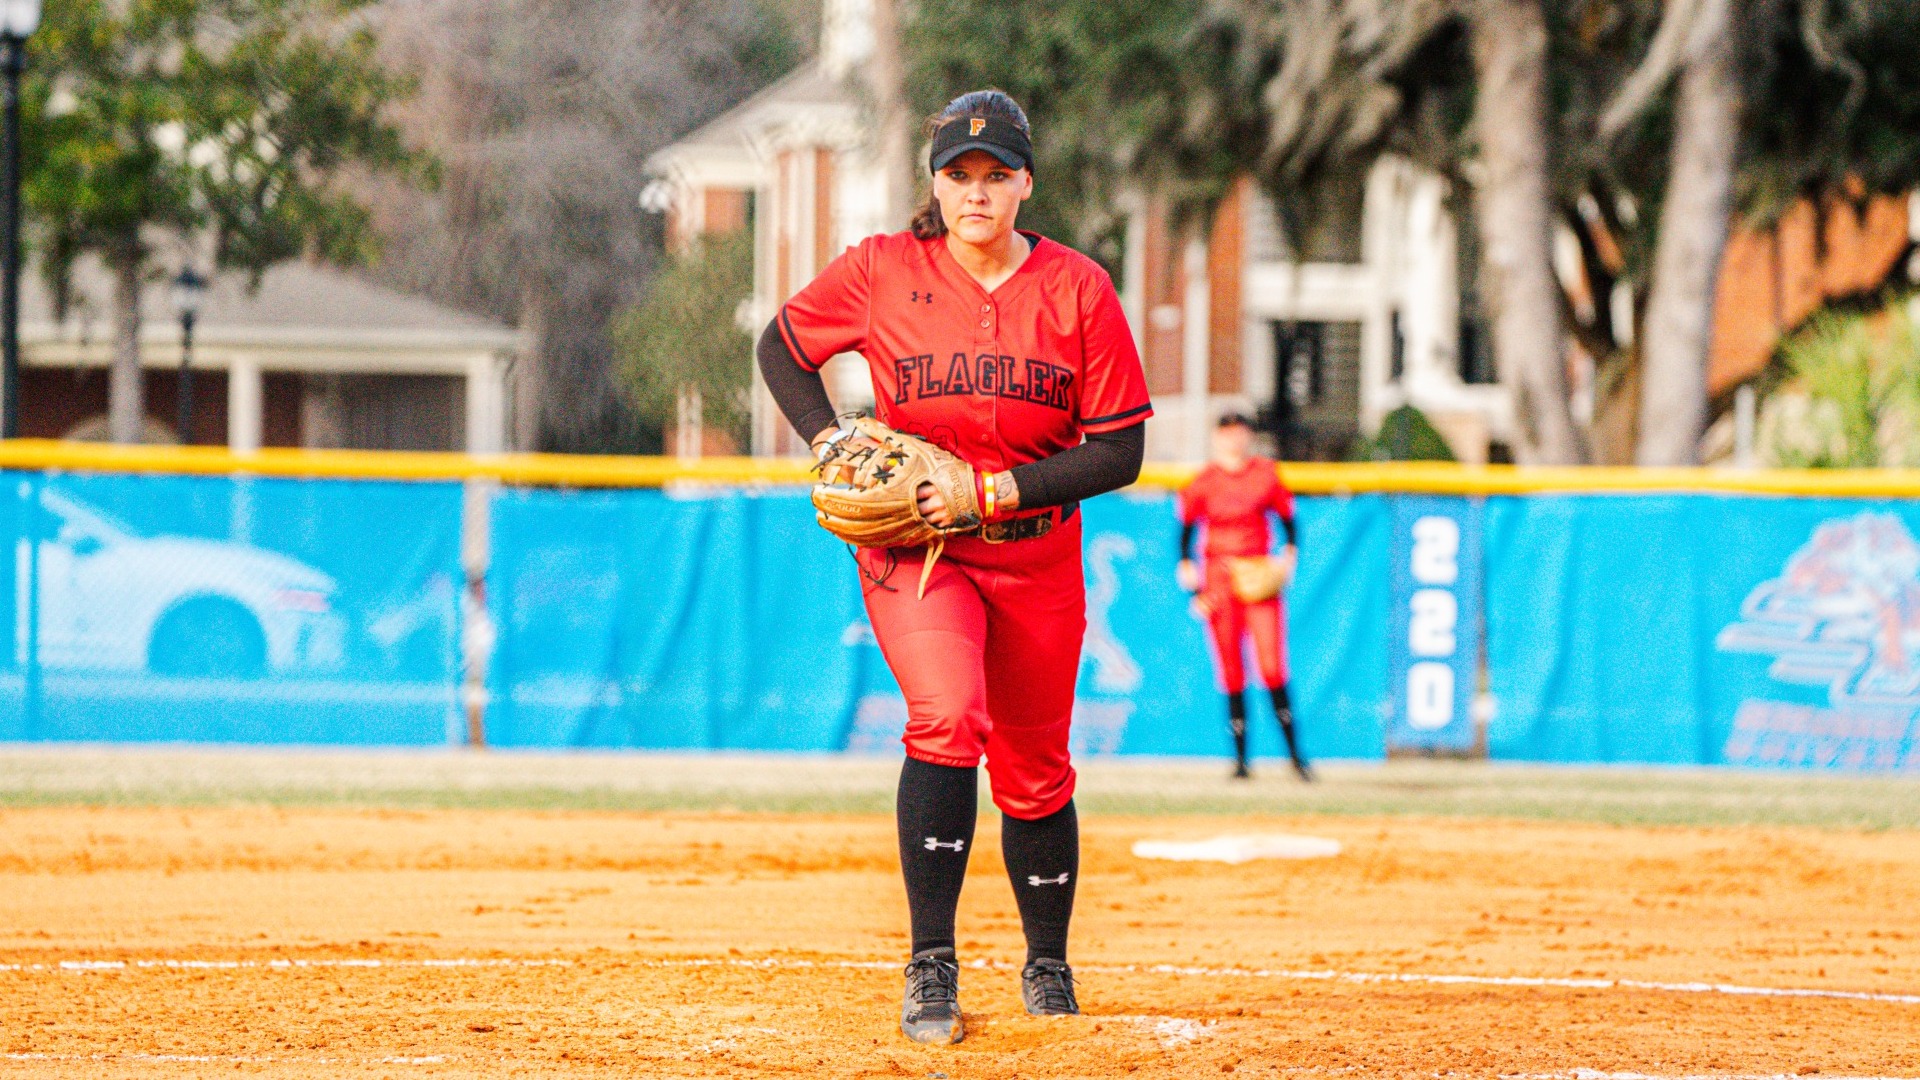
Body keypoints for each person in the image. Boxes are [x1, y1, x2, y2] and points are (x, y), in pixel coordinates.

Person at [755, 90, 1151, 1046]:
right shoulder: (884, 269)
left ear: (1026, 182)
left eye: (996, 174)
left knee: (1035, 769)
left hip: (1036, 555)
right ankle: (931, 962)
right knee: (945, 717)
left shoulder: (1079, 289)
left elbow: (1120, 451)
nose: (977, 191)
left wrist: (998, 492)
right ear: (936, 182)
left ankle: (1047, 962)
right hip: (916, 556)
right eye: (958, 175)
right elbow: (781, 345)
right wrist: (826, 441)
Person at [1176, 414, 1312, 782]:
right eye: (1227, 433)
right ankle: (1240, 762)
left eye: (1240, 433)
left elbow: (1288, 519)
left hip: (1256, 574)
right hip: (1219, 577)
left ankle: (1297, 758)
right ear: (1217, 437)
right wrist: (1196, 588)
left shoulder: (1264, 474)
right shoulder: (1204, 482)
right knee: (1231, 670)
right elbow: (1185, 537)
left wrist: (1289, 557)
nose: (1234, 440)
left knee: (1271, 667)